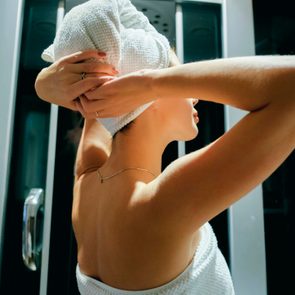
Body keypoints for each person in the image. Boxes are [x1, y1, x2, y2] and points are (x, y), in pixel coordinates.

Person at [35, 0, 295, 294]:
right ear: (146, 94)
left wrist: (42, 85)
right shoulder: (159, 206)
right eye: (178, 80)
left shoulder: (88, 178)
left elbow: (96, 95)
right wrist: (152, 82)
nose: (194, 93)